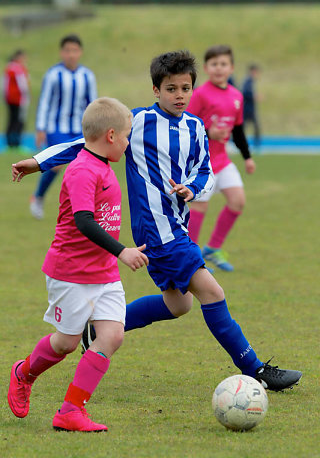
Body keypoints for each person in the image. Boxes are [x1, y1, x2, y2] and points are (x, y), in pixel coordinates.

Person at [12, 50, 302, 393]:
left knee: (180, 304)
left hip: (176, 225)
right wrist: (39, 162)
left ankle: (96, 330)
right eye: (171, 88)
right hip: (156, 229)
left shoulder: (195, 128)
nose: (179, 95)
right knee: (212, 290)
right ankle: (256, 370)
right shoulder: (135, 123)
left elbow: (206, 172)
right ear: (156, 90)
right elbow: (85, 144)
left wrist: (192, 189)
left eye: (185, 88)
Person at [8, 97, 149, 432]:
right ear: (111, 136)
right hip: (71, 272)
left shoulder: (100, 162)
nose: (129, 143)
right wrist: (122, 251)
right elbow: (84, 221)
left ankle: (71, 410)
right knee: (66, 343)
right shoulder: (83, 170)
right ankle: (23, 373)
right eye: (127, 136)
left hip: (104, 273)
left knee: (112, 336)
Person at [187, 45, 255, 272]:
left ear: (231, 68)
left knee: (238, 200)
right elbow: (187, 127)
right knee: (199, 208)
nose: (219, 68)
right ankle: (192, 256)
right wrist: (209, 133)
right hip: (200, 163)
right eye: (214, 64)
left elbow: (237, 130)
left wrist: (247, 157)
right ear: (206, 68)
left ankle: (213, 248)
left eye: (223, 64)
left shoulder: (236, 96)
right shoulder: (199, 95)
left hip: (223, 161)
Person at [30, 34, 97, 220]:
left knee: (84, 166)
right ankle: (38, 197)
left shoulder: (87, 76)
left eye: (74, 50)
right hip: (56, 127)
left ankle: (80, 206)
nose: (71, 54)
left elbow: (92, 104)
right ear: (61, 52)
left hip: (79, 128)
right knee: (58, 164)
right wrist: (40, 128)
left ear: (80, 52)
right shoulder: (53, 74)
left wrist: (95, 126)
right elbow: (44, 102)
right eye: (67, 50)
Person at [3, 50, 30, 150]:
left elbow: (4, 84)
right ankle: (16, 143)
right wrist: (25, 96)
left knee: (11, 120)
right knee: (18, 121)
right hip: (18, 99)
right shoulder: (18, 69)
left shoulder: (9, 68)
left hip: (10, 99)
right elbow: (22, 84)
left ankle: (10, 143)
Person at [242, 63, 261, 150]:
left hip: (249, 109)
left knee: (253, 126)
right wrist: (254, 96)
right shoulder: (248, 81)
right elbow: (245, 93)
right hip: (247, 109)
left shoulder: (250, 81)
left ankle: (256, 144)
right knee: (243, 127)